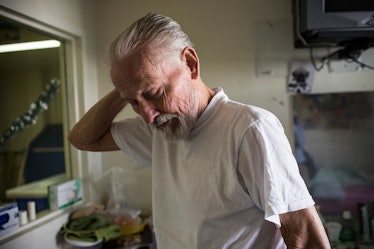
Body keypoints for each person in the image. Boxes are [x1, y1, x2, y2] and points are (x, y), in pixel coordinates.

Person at [68, 13, 330, 249]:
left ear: (191, 64)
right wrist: (129, 86)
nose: (147, 115)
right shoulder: (159, 129)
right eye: (133, 103)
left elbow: (303, 233)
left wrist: (135, 85)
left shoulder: (249, 129)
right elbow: (81, 139)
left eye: (155, 93)